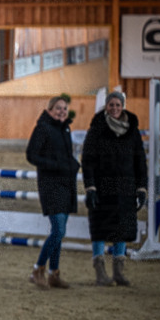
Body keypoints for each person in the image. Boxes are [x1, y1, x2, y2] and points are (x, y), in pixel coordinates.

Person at [81, 90, 148, 286]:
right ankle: (100, 271)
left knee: (122, 229)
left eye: (118, 105)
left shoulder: (132, 130)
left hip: (126, 189)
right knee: (100, 229)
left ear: (123, 106)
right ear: (106, 106)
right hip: (102, 188)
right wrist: (90, 187)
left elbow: (140, 161)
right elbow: (88, 160)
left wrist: (141, 188)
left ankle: (118, 271)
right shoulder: (96, 129)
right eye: (111, 105)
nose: (115, 108)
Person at [26, 95, 80, 289]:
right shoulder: (42, 128)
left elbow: (66, 155)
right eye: (58, 108)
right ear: (49, 110)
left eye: (64, 108)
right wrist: (56, 166)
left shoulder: (65, 128)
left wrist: (72, 164)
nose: (62, 112)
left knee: (59, 232)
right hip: (50, 185)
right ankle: (37, 269)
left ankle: (54, 273)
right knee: (58, 230)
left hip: (66, 185)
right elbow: (31, 155)